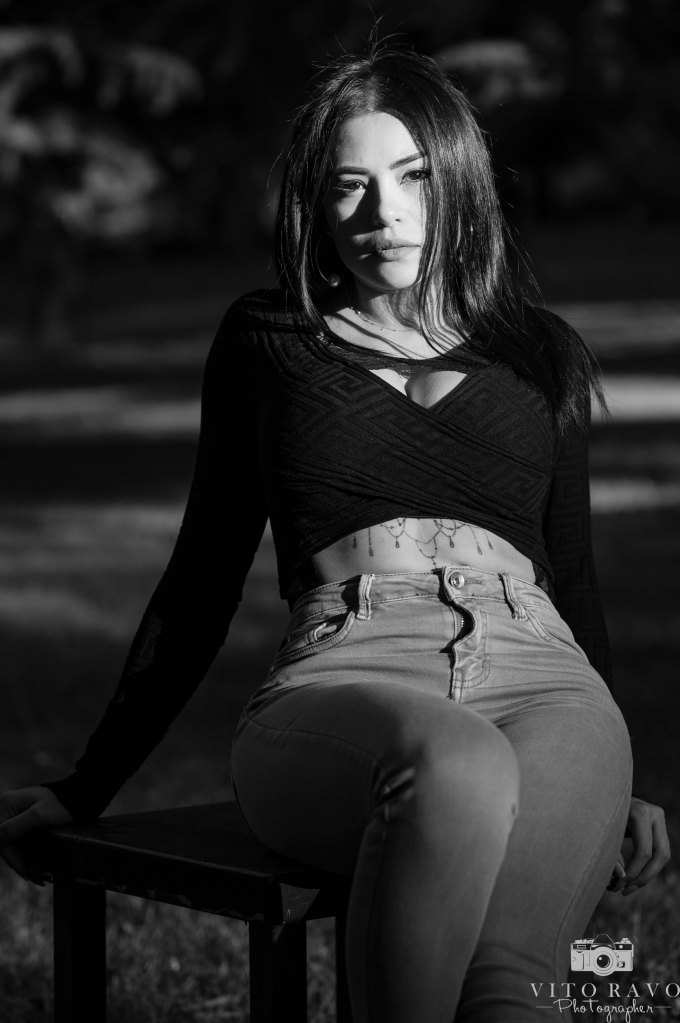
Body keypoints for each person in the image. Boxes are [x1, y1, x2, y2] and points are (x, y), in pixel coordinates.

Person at [0, 42, 671, 1023]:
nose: (381, 212)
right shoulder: (270, 341)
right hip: (349, 670)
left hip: (545, 675)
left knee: (508, 990)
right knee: (453, 763)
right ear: (315, 205)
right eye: (349, 185)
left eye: (412, 177)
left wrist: (620, 784)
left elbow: (570, 572)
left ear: (459, 181)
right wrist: (87, 781)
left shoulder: (541, 353)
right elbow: (201, 575)